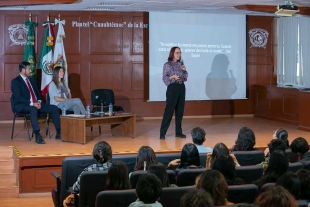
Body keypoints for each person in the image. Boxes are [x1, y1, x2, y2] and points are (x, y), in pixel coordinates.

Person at [11, 61, 61, 144]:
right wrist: (32, 103)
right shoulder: (15, 82)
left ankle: (59, 132)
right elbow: (18, 97)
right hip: (22, 105)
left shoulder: (32, 80)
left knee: (54, 108)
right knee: (33, 109)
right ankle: (37, 135)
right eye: (28, 69)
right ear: (23, 70)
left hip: (36, 104)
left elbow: (38, 94)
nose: (30, 71)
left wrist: (39, 101)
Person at [159, 46, 188, 140]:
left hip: (181, 87)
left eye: (180, 53)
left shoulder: (181, 64)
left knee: (180, 111)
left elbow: (185, 77)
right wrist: (172, 77)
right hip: (172, 87)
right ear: (172, 54)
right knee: (169, 111)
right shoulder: (167, 65)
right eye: (177, 53)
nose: (179, 55)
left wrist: (184, 71)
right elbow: (164, 78)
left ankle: (178, 132)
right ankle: (162, 133)